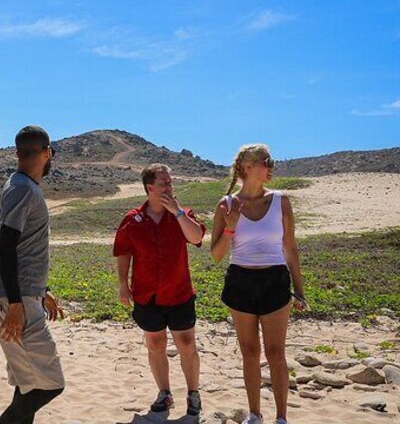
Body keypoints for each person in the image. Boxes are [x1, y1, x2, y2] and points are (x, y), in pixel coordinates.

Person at [210, 144, 306, 424]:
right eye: (267, 161)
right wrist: (230, 225)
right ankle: (255, 414)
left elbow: (290, 248)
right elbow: (216, 255)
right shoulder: (226, 204)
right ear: (248, 167)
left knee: (276, 353)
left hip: (275, 280)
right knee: (249, 353)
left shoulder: (281, 201)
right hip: (240, 280)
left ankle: (281, 418)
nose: (271, 166)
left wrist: (299, 290)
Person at [0, 125, 65, 423]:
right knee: (49, 385)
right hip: (13, 297)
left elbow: (21, 248)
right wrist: (17, 303)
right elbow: (6, 247)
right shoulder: (22, 189)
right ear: (47, 153)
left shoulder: (18, 185)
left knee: (26, 383)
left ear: (17, 153)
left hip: (20, 292)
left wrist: (41, 291)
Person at [113, 164, 205, 417]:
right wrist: (123, 283)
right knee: (155, 344)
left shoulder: (182, 214)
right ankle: (164, 393)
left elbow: (196, 238)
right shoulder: (133, 219)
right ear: (149, 187)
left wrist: (177, 213)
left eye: (170, 182)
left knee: (186, 343)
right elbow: (123, 252)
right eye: (164, 183)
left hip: (178, 293)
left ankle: (193, 393)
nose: (169, 187)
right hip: (146, 294)